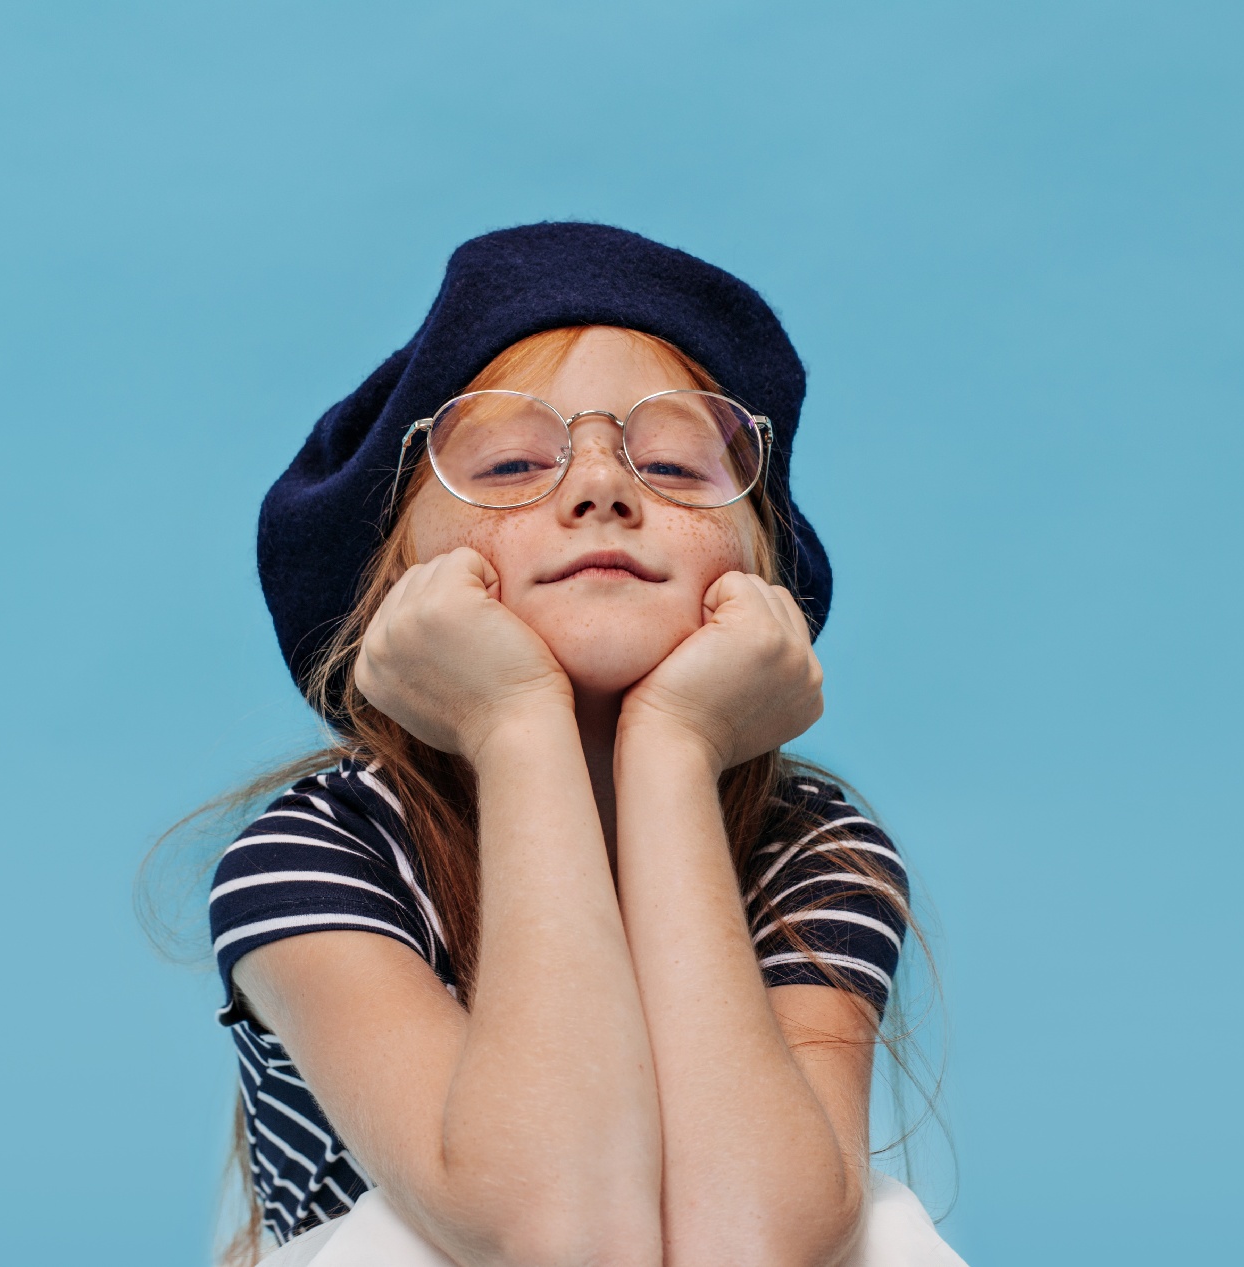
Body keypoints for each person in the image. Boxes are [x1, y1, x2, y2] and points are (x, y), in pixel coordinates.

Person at [197, 223, 964, 1266]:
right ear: (393, 582)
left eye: (675, 467)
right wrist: (517, 727)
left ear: (758, 574)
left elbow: (758, 1243)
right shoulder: (315, 848)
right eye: (512, 463)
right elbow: (554, 1234)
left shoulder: (810, 843)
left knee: (865, 1225)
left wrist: (673, 752)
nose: (602, 489)